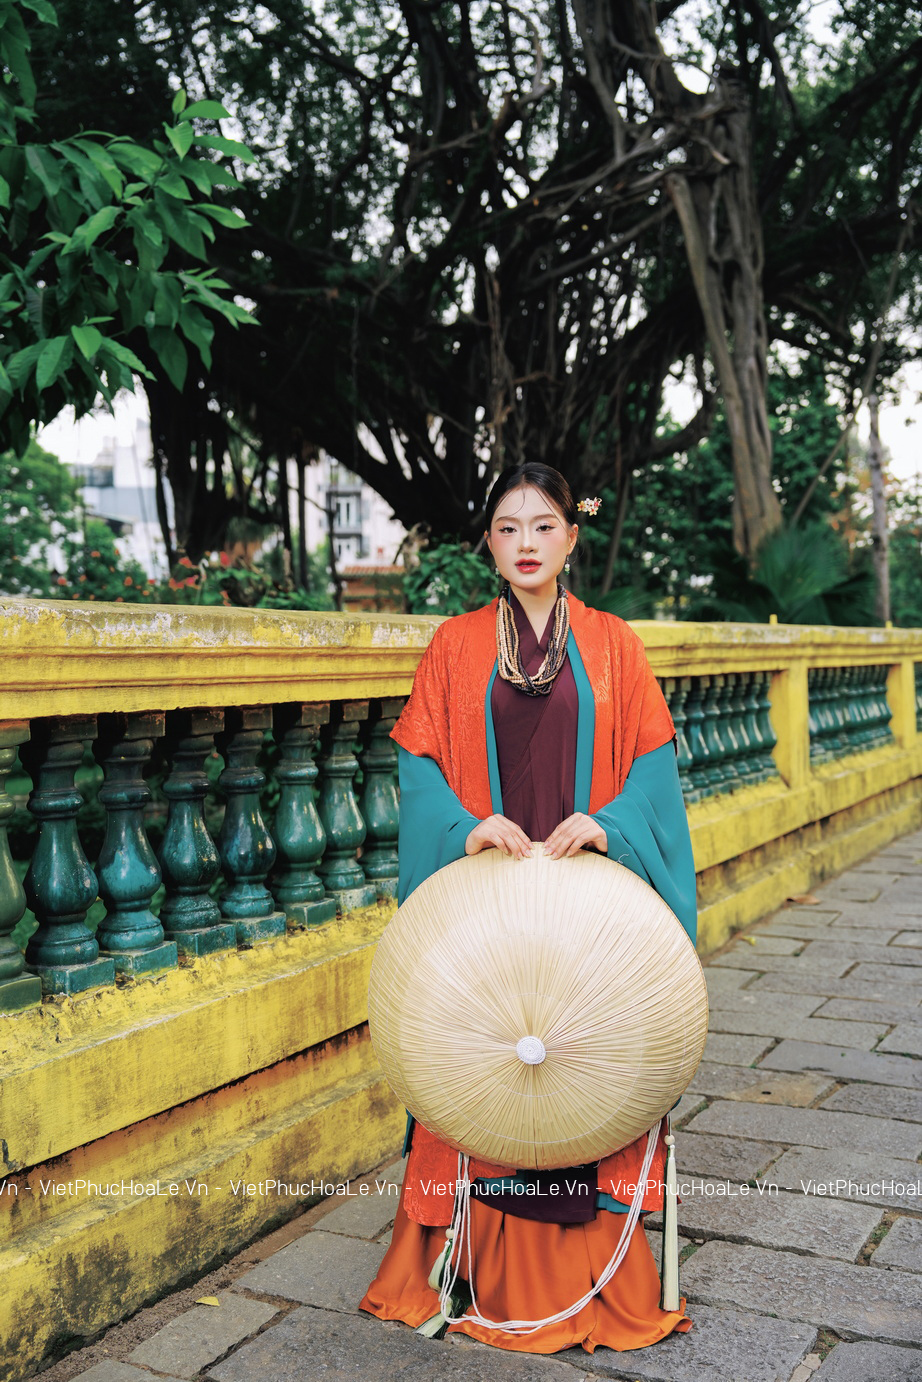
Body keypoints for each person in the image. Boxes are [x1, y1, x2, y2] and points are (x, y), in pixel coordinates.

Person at [360, 462, 697, 1355]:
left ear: (571, 538)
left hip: (587, 903)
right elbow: (418, 765)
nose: (526, 544)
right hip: (491, 903)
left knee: (584, 1056)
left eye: (544, 526)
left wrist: (610, 824)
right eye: (507, 529)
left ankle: (594, 1273)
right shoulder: (455, 646)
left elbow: (654, 771)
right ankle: (472, 1267)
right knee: (485, 1053)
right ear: (488, 544)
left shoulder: (615, 645)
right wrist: (464, 828)